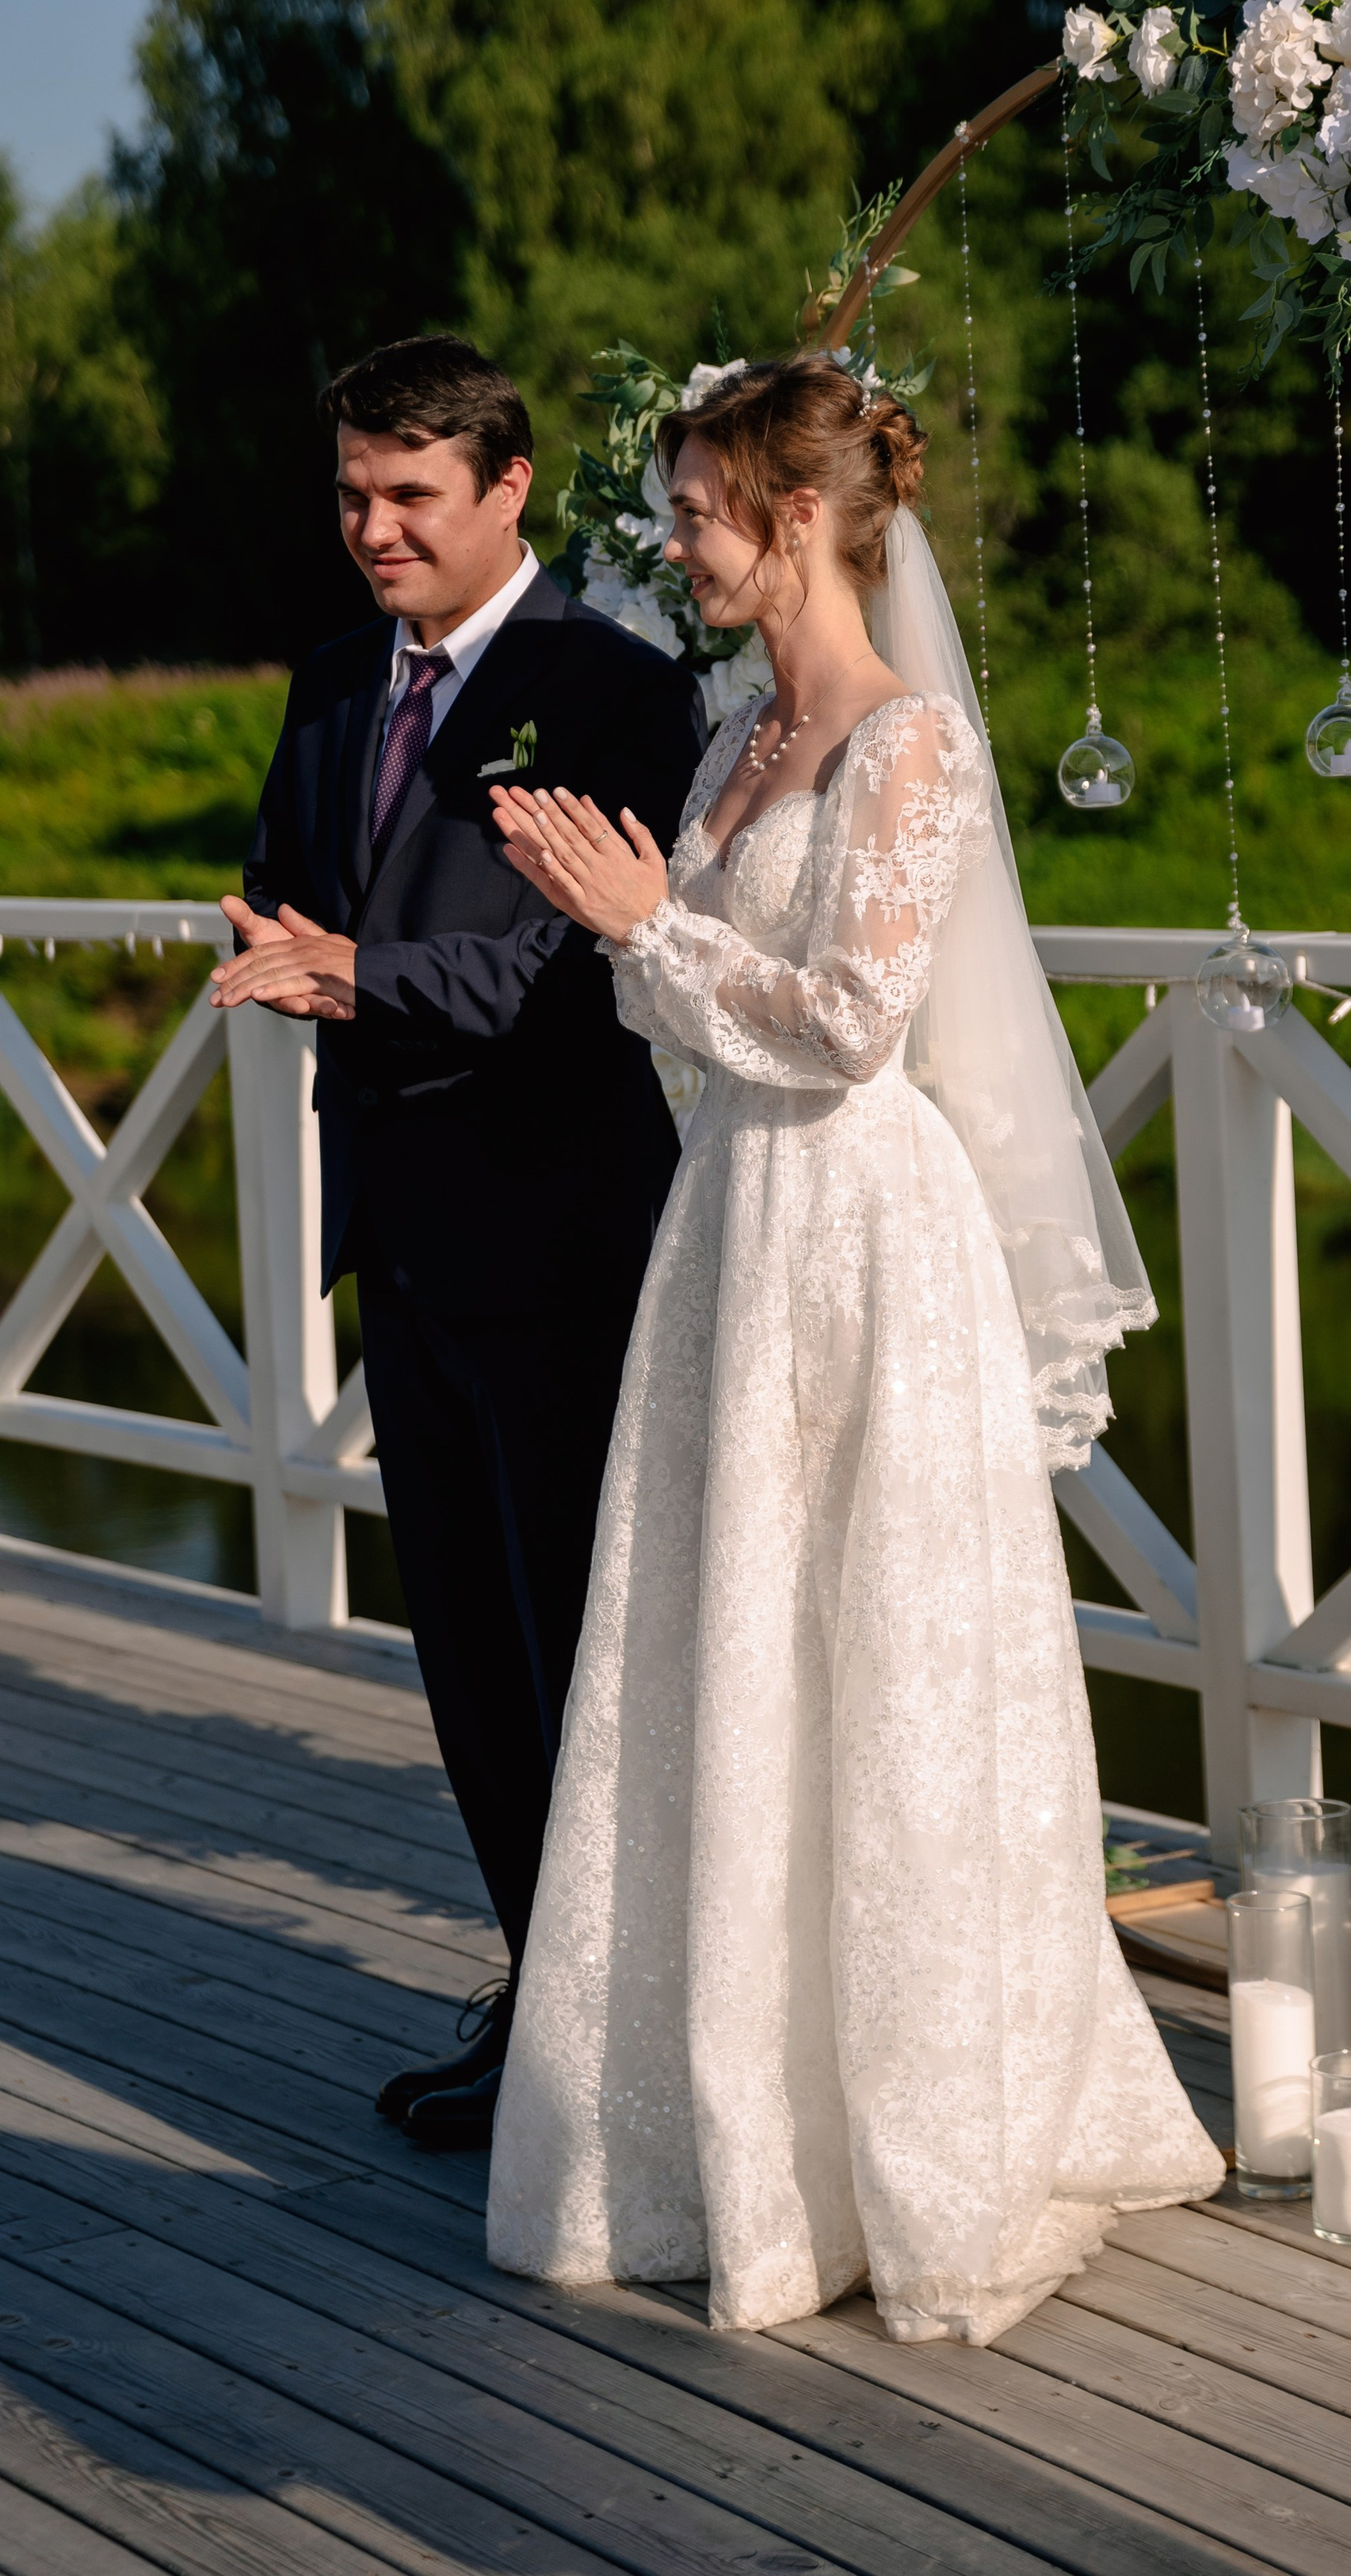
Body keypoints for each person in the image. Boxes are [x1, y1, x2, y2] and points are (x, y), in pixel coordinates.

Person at [482, 353, 1222, 2345]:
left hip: (869, 1231)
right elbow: (691, 1021)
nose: (678, 540)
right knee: (728, 1647)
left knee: (878, 1652)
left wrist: (649, 927)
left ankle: (912, 2126)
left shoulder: (912, 751)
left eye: (701, 507)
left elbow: (849, 1022)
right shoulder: (730, 733)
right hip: (728, 1228)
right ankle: (733, 2126)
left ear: (796, 514)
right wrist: (630, 922)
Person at [209, 334, 706, 2147]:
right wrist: (282, 941)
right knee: (474, 1680)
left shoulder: (616, 688)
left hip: (561, 1242)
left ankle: (630, 2040)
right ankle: (540, 2009)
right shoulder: (336, 675)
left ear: (508, 489)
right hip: (398, 1245)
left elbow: (589, 979)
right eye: (350, 492)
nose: (371, 529)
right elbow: (296, 879)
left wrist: (362, 974)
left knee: (583, 1656)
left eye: (409, 494)